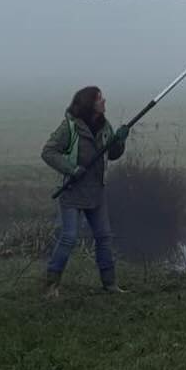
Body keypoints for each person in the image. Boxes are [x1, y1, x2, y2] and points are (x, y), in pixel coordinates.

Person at [40, 84, 129, 296]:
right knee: (69, 237)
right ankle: (51, 285)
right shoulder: (70, 127)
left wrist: (120, 141)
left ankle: (110, 284)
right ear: (90, 104)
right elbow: (48, 152)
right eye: (100, 99)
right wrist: (71, 169)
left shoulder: (104, 126)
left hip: (96, 192)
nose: (104, 101)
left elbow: (113, 154)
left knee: (104, 237)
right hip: (72, 191)